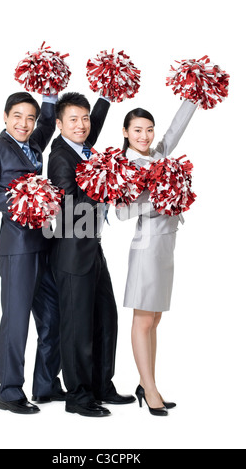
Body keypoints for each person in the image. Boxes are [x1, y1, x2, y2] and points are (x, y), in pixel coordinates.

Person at [0, 92, 65, 415]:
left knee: (53, 316)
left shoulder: (33, 145)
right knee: (16, 320)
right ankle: (9, 392)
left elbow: (50, 123)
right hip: (17, 247)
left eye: (30, 118)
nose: (24, 123)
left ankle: (46, 385)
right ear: (5, 117)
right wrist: (18, 200)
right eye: (17, 116)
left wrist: (50, 94)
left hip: (43, 244)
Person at [47, 92, 136, 417]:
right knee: (77, 327)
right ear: (59, 124)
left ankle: (101, 385)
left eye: (85, 118)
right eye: (74, 119)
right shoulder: (60, 156)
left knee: (105, 318)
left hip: (91, 248)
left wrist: (105, 98)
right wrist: (104, 186)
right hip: (71, 251)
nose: (82, 125)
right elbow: (68, 207)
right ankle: (79, 396)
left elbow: (92, 125)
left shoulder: (82, 148)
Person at [116, 99, 197, 416]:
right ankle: (150, 390)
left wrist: (193, 95)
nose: (145, 135)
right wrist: (162, 201)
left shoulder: (158, 155)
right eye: (137, 130)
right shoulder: (125, 167)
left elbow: (176, 129)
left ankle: (145, 382)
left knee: (156, 319)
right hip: (146, 247)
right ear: (125, 132)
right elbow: (122, 212)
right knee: (144, 319)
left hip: (166, 246)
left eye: (149, 129)